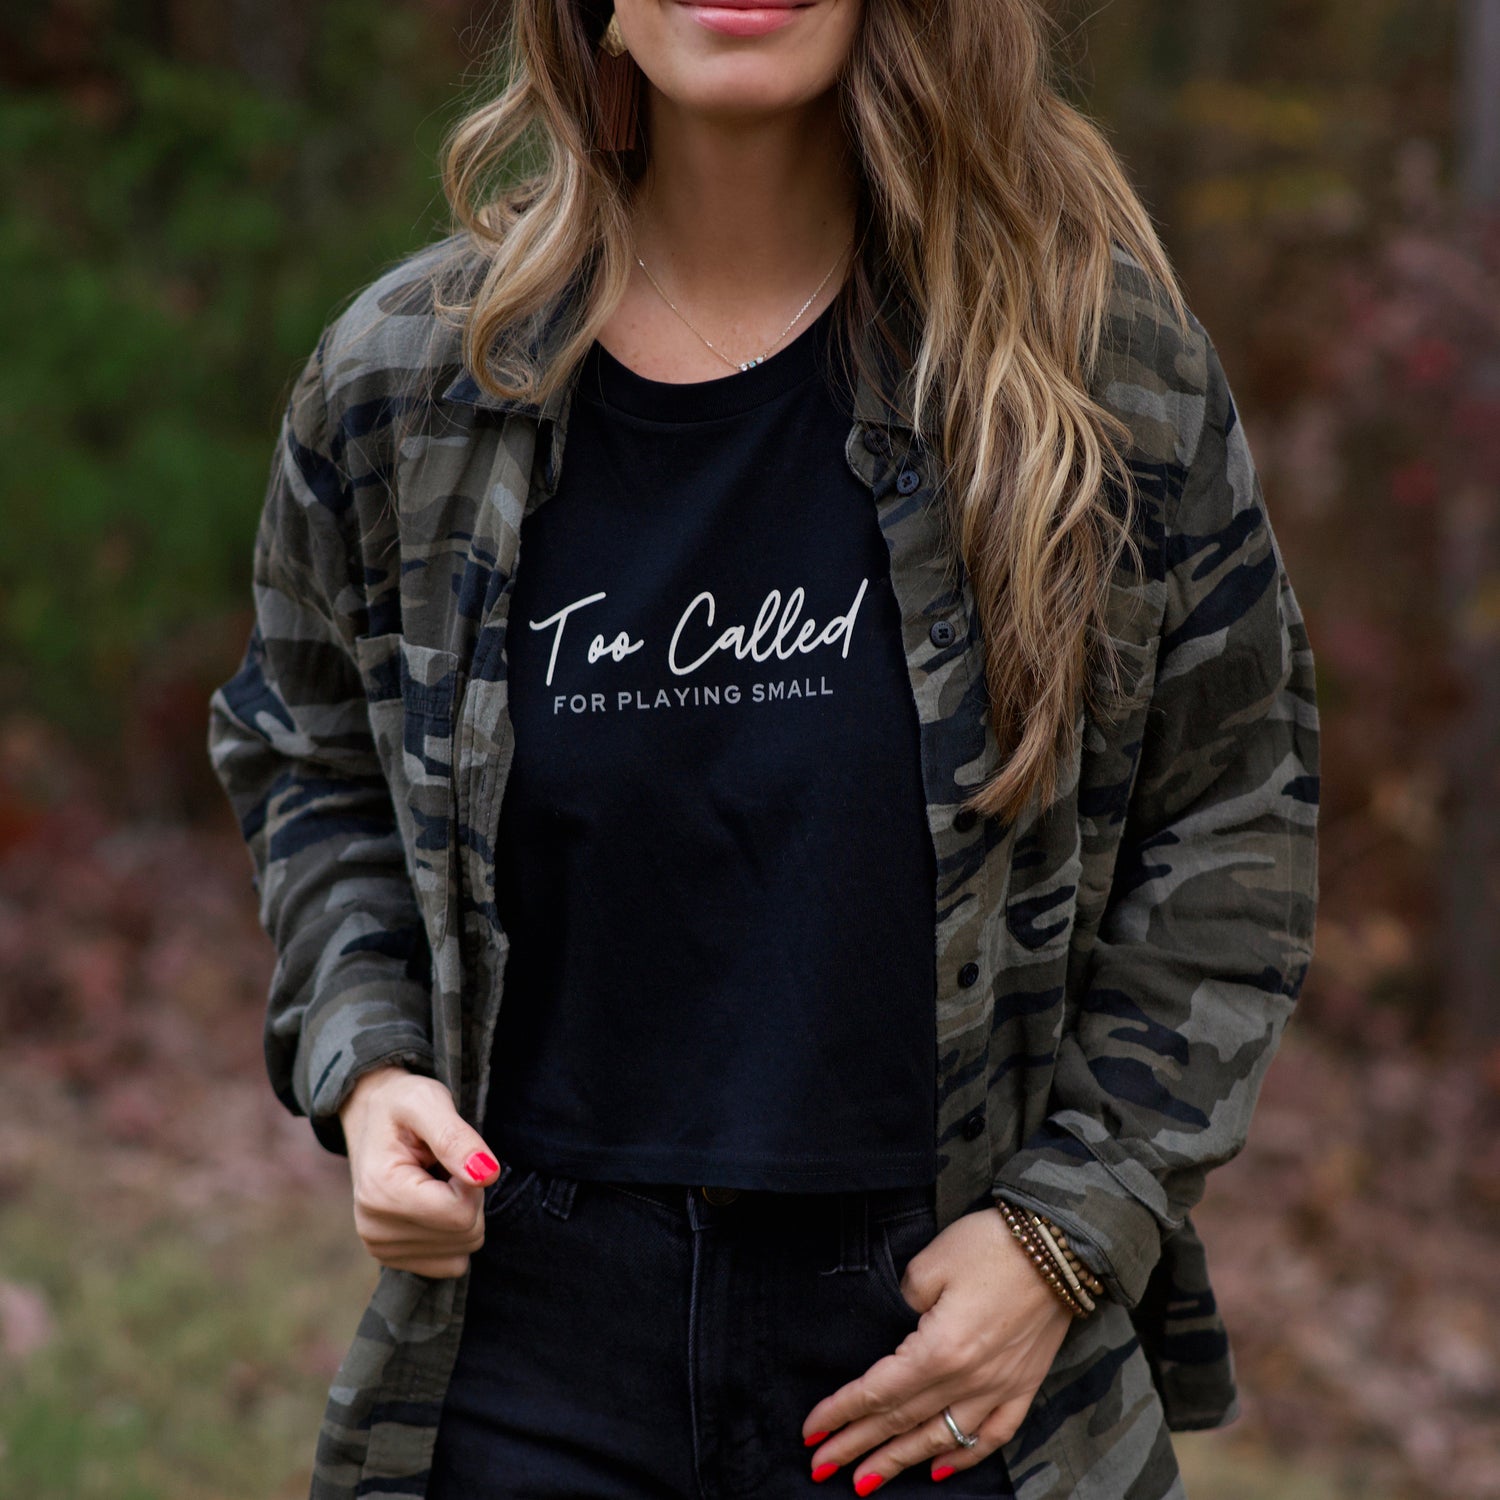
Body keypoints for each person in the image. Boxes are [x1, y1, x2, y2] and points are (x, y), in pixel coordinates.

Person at [206, 1, 1320, 1497]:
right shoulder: (407, 384)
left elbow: (1240, 813)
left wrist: (1068, 1230)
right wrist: (370, 1062)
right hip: (527, 1337)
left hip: (936, 1357)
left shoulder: (1091, 377)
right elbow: (306, 749)